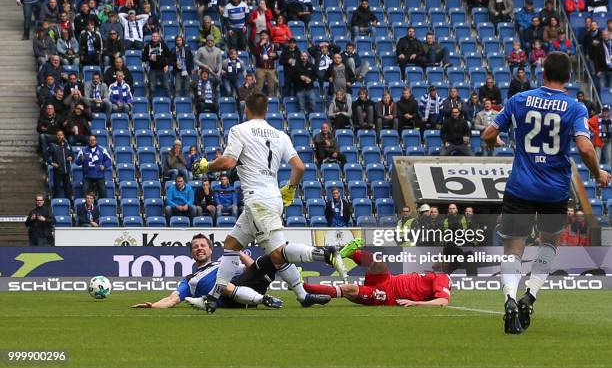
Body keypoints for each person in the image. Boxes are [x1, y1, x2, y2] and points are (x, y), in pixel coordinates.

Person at [481, 52, 612, 334]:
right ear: (568, 78)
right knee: (549, 244)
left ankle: (509, 300)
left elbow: (488, 134)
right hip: (554, 190)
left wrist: (494, 143)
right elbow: (586, 148)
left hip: (520, 187)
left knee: (512, 249)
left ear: (542, 74)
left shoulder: (519, 100)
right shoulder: (575, 107)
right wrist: (597, 172)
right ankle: (531, 294)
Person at [189, 92, 351, 312]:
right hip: (271, 198)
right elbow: (300, 167)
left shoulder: (239, 130)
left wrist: (205, 166)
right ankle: (212, 298)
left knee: (277, 253)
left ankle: (325, 253)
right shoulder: (280, 135)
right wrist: (291, 189)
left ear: (246, 109)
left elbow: (228, 162)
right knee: (231, 245)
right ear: (266, 110)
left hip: (258, 201)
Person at [132, 234, 283, 309]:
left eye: (203, 245)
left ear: (210, 250)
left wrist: (237, 252)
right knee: (221, 285)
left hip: (247, 288)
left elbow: (253, 268)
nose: (199, 248)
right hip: (228, 300)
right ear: (192, 253)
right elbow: (172, 299)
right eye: (195, 247)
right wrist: (153, 306)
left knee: (270, 258)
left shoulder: (223, 264)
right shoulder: (190, 279)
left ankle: (302, 293)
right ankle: (263, 300)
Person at [304, 240, 464, 307]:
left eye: (441, 255)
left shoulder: (443, 278)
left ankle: (301, 286)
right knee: (379, 263)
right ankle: (346, 253)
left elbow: (443, 301)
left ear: (447, 262)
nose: (437, 256)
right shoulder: (435, 275)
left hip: (387, 294)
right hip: (388, 280)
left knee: (348, 289)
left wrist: (416, 303)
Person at [142, 32, 171, 97]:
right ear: (151, 37)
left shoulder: (163, 45)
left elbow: (169, 56)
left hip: (163, 68)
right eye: (153, 36)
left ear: (159, 37)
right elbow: (143, 58)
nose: (155, 38)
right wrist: (149, 57)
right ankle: (151, 105)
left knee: (167, 86)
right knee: (152, 87)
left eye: (156, 36)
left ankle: (171, 104)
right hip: (153, 69)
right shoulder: (148, 46)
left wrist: (167, 65)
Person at [46, 130, 73, 199]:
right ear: (56, 136)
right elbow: (45, 156)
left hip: (66, 172)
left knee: (68, 191)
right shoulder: (53, 145)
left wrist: (71, 157)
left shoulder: (68, 145)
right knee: (57, 190)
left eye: (61, 135)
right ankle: (55, 207)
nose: (60, 136)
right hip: (57, 172)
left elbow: (72, 154)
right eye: (58, 135)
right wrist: (52, 163)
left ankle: (71, 207)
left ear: (63, 136)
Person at [253, 30, 278, 96]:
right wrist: (260, 44)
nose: (263, 37)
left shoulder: (272, 45)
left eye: (264, 35)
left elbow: (277, 56)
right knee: (258, 86)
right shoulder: (258, 44)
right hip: (261, 68)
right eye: (261, 35)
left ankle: (272, 101)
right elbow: (255, 53)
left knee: (271, 87)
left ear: (268, 36)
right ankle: (256, 100)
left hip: (271, 68)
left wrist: (274, 55)